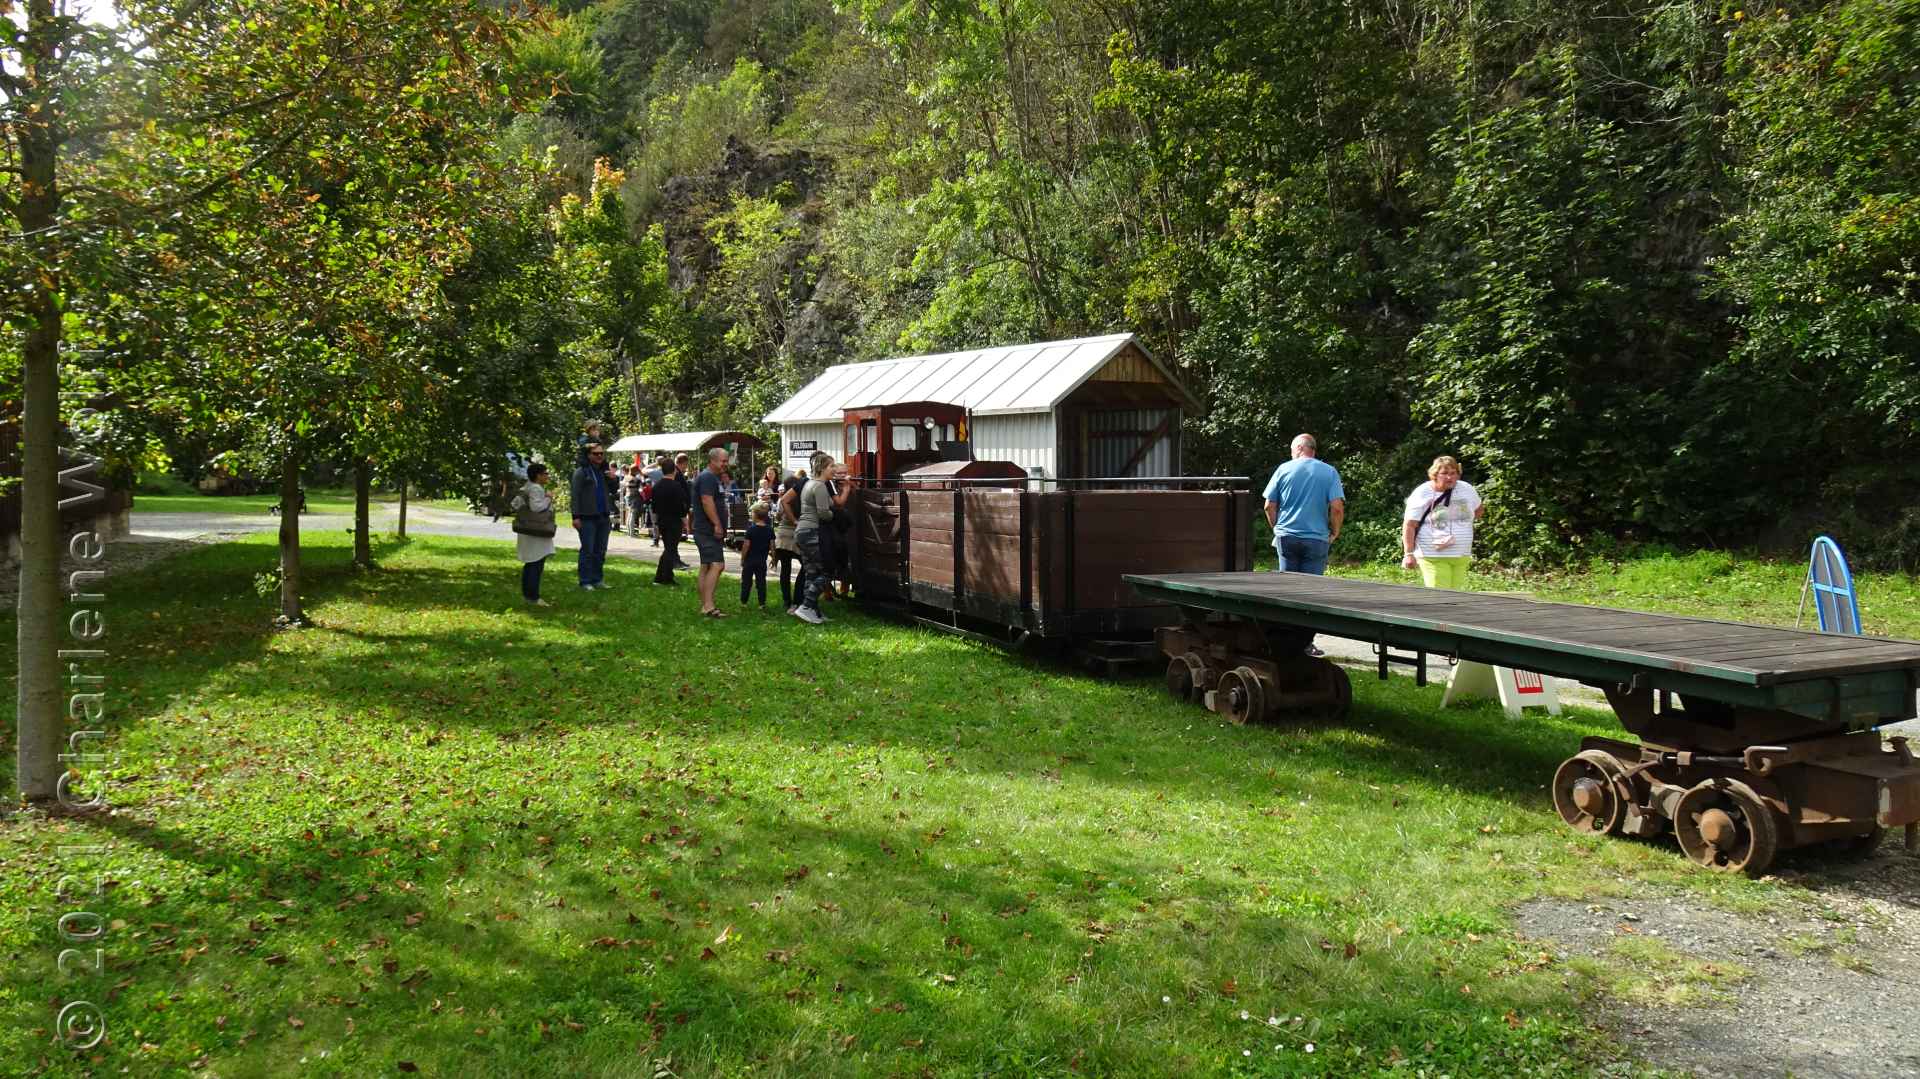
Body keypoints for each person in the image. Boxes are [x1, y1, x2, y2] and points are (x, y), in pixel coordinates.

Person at [1262, 433, 1345, 655]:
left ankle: (1284, 642)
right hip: (1317, 539)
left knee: (1288, 592)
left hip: (1287, 537)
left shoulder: (1283, 469)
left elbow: (1269, 505)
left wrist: (1277, 528)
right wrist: (1334, 532)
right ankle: (1306, 643)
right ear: (1312, 449)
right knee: (1311, 594)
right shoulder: (1329, 472)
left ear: (1298, 448)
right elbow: (1336, 507)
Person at [1401, 455, 1483, 590]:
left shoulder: (1466, 489)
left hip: (1461, 555)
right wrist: (1408, 554)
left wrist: (1458, 522)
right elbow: (1410, 525)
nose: (1450, 477)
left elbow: (1479, 511)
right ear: (1434, 474)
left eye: (1453, 473)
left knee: (1457, 597)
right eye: (1444, 473)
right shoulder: (1422, 492)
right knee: (1441, 598)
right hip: (1433, 554)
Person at [791, 455, 840, 624]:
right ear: (822, 468)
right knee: (828, 570)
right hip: (812, 531)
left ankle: (813, 611)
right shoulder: (819, 486)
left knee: (812, 572)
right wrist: (835, 514)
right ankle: (806, 606)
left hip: (802, 531)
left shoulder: (809, 484)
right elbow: (823, 513)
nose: (834, 469)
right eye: (831, 466)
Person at [508, 463, 557, 606]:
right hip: (536, 530)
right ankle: (533, 596)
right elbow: (537, 507)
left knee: (531, 563)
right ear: (538, 475)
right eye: (545, 473)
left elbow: (515, 504)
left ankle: (528, 594)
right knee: (536, 563)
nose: (547, 476)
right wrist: (548, 497)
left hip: (528, 529)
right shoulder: (536, 488)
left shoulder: (527, 487)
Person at [571, 443, 617, 590]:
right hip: (587, 517)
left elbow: (614, 490)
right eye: (595, 453)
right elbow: (575, 495)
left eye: (601, 454)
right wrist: (575, 516)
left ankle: (597, 579)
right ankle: (585, 581)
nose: (599, 456)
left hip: (603, 516)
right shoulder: (581, 472)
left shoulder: (603, 472)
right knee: (588, 550)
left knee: (600, 550)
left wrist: (612, 478)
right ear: (588, 455)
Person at [693, 446, 733, 617]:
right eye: (723, 461)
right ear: (713, 460)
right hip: (707, 530)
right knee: (717, 565)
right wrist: (717, 524)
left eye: (726, 460)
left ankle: (705, 605)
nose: (726, 464)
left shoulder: (712, 478)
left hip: (705, 529)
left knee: (706, 566)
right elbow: (706, 501)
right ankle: (709, 606)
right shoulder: (708, 477)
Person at [649, 458, 690, 586]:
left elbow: (654, 507)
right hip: (674, 521)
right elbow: (681, 506)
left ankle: (668, 576)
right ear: (674, 471)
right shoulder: (676, 486)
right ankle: (659, 577)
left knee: (669, 548)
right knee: (670, 549)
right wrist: (686, 522)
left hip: (662, 520)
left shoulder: (656, 486)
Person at [774, 475, 805, 611]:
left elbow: (778, 516)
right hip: (797, 536)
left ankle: (787, 600)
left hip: (782, 537)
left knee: (785, 570)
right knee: (805, 567)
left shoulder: (783, 500)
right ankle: (798, 599)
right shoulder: (802, 500)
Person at [740, 504, 775, 608]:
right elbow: (772, 545)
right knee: (761, 582)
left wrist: (742, 558)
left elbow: (746, 545)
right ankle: (762, 603)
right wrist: (773, 557)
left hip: (749, 561)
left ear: (755, 515)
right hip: (761, 561)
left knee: (746, 582)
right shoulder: (769, 530)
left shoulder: (751, 529)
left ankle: (744, 602)